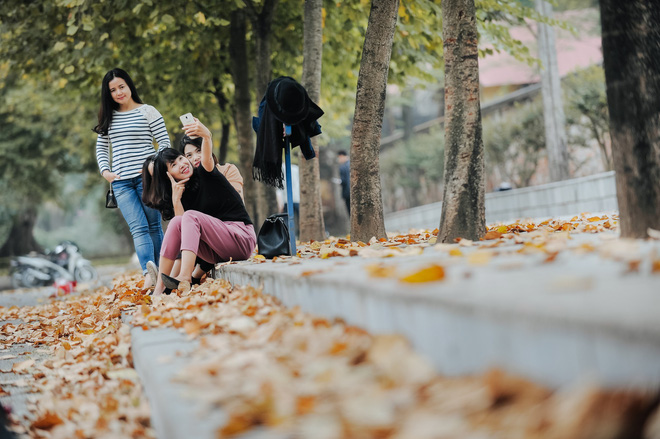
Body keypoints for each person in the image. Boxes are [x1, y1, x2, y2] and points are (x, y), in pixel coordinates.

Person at [146, 118, 256, 295]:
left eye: (181, 158)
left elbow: (206, 151)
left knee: (189, 216)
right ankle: (159, 290)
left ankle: (185, 278)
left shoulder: (206, 172)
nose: (183, 163)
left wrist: (206, 134)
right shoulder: (182, 192)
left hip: (241, 238)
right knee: (176, 223)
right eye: (174, 164)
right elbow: (182, 230)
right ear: (168, 176)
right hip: (215, 250)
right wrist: (176, 200)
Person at [93, 68, 171, 289]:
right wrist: (105, 171)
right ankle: (149, 273)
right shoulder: (108, 117)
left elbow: (164, 143)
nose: (118, 92)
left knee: (154, 227)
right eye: (112, 90)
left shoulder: (148, 111)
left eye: (121, 87)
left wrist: (153, 166)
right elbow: (101, 148)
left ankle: (162, 273)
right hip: (121, 183)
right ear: (108, 94)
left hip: (148, 181)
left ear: (129, 86)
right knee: (138, 228)